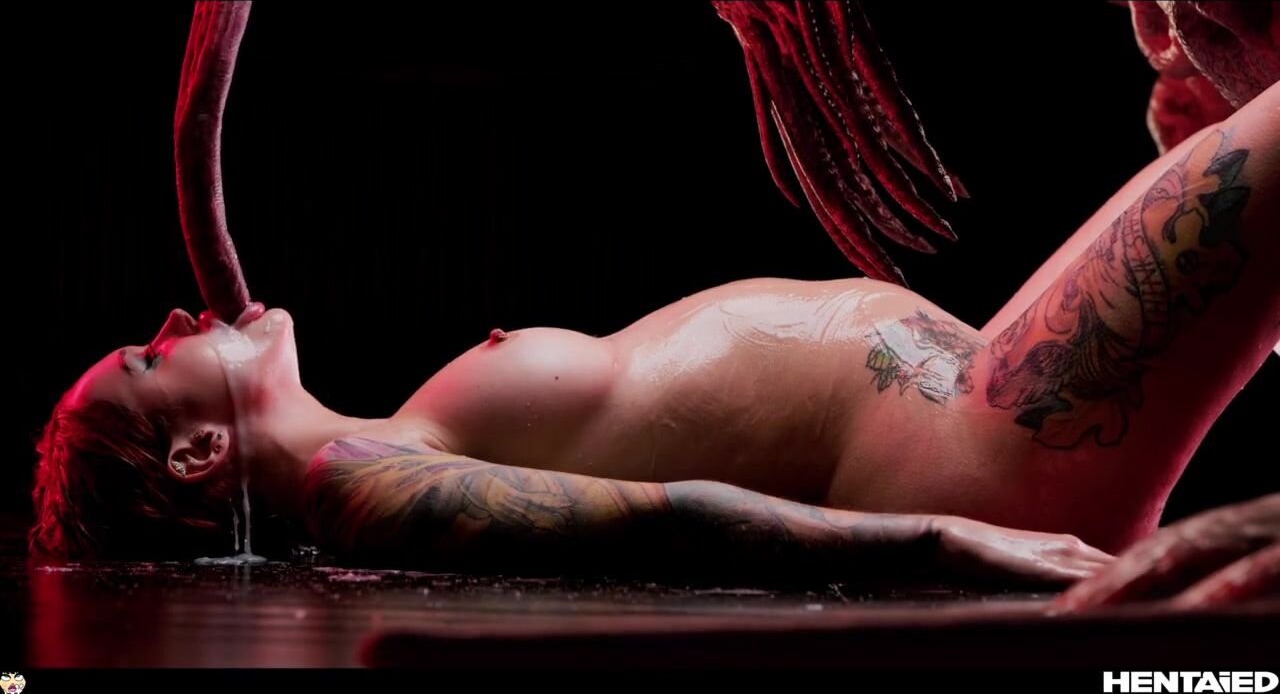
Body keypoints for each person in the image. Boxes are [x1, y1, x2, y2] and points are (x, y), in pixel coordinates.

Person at [28, 80, 1279, 592]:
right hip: (979, 451)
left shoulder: (386, 437)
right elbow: (670, 519)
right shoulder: (356, 484)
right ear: (199, 452)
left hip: (982, 400)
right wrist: (949, 541)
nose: (175, 318)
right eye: (150, 358)